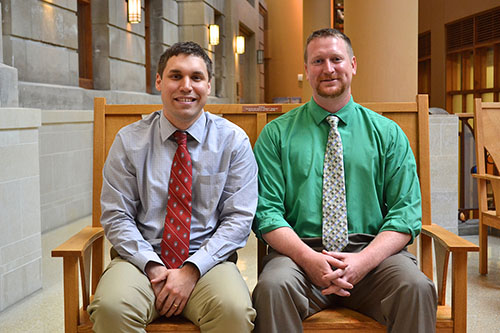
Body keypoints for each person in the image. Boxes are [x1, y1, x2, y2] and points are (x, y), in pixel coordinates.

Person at [252, 28, 437, 333]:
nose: (328, 69)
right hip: (299, 256)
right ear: (307, 71)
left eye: (336, 59)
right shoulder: (277, 135)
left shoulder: (388, 134)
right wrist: (309, 259)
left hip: (374, 258)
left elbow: (405, 214)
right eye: (318, 61)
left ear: (353, 64)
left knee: (416, 287)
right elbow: (266, 212)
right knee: (272, 287)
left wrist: (362, 262)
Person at [88, 41, 258, 332]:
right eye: (175, 76)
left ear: (208, 85)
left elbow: (239, 219)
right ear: (159, 81)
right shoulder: (129, 141)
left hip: (209, 263)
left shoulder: (233, 141)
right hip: (139, 262)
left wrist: (192, 270)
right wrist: (152, 266)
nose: (186, 86)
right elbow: (117, 216)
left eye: (196, 77)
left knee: (234, 311)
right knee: (111, 308)